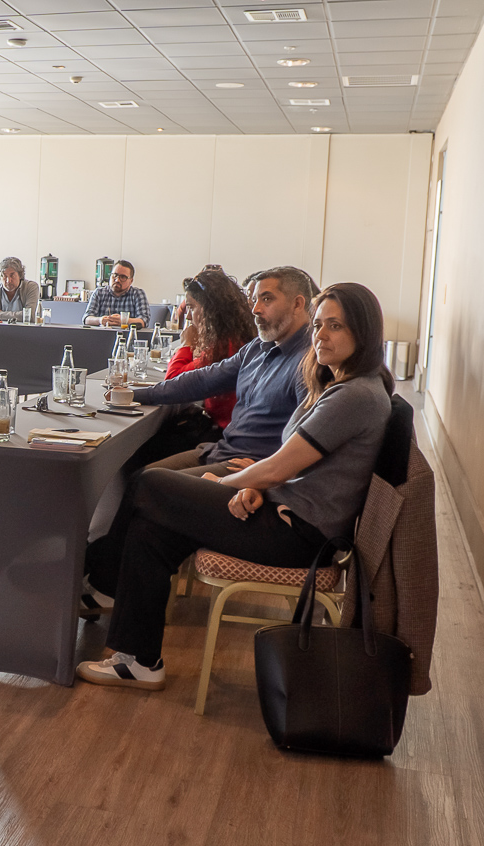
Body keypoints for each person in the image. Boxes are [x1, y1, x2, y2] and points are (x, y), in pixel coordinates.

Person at [77, 282, 394, 690]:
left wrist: (228, 481)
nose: (321, 335)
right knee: (152, 526)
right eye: (318, 325)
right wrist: (257, 483)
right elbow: (294, 466)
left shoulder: (354, 395)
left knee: (150, 485)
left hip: (298, 535)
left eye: (336, 326)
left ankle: (99, 581)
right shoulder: (338, 384)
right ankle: (138, 660)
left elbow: (278, 469)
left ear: (363, 333)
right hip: (285, 511)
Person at [130, 266, 318, 477]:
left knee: (149, 480)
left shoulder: (309, 362)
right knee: (142, 474)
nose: (255, 309)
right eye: (254, 300)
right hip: (223, 450)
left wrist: (264, 475)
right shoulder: (257, 347)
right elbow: (203, 380)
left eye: (266, 299)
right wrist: (132, 395)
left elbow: (307, 440)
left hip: (251, 464)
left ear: (297, 304)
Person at [131, 267, 257, 462]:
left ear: (209, 309)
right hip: (228, 430)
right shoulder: (234, 337)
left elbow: (174, 381)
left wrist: (186, 345)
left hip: (226, 436)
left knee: (145, 456)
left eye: (191, 307)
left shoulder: (226, 345)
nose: (188, 316)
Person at [83, 260, 149, 328]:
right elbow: (86, 319)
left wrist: (124, 320)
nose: (117, 280)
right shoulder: (99, 293)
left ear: (131, 281)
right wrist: (100, 320)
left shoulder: (138, 294)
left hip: (128, 333)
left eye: (123, 277)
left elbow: (144, 321)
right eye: (115, 275)